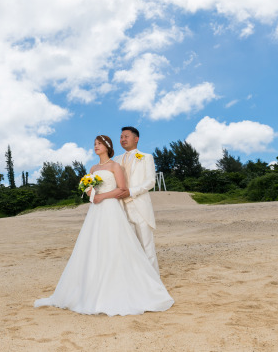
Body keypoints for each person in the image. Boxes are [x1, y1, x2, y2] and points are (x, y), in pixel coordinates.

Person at [34, 135, 173, 316]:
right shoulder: (93, 168)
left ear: (107, 146)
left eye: (99, 144)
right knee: (93, 245)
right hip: (96, 211)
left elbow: (121, 189)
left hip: (111, 208)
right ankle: (91, 287)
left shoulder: (115, 166)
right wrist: (91, 192)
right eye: (94, 144)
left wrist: (102, 196)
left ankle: (135, 284)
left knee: (117, 245)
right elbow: (91, 190)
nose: (96, 147)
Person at [116, 126, 160, 274]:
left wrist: (131, 191)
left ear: (136, 138)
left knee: (147, 247)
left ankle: (154, 283)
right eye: (121, 137)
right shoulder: (116, 160)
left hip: (140, 207)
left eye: (126, 136)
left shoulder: (146, 157)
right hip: (120, 208)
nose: (123, 139)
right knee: (129, 248)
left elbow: (150, 182)